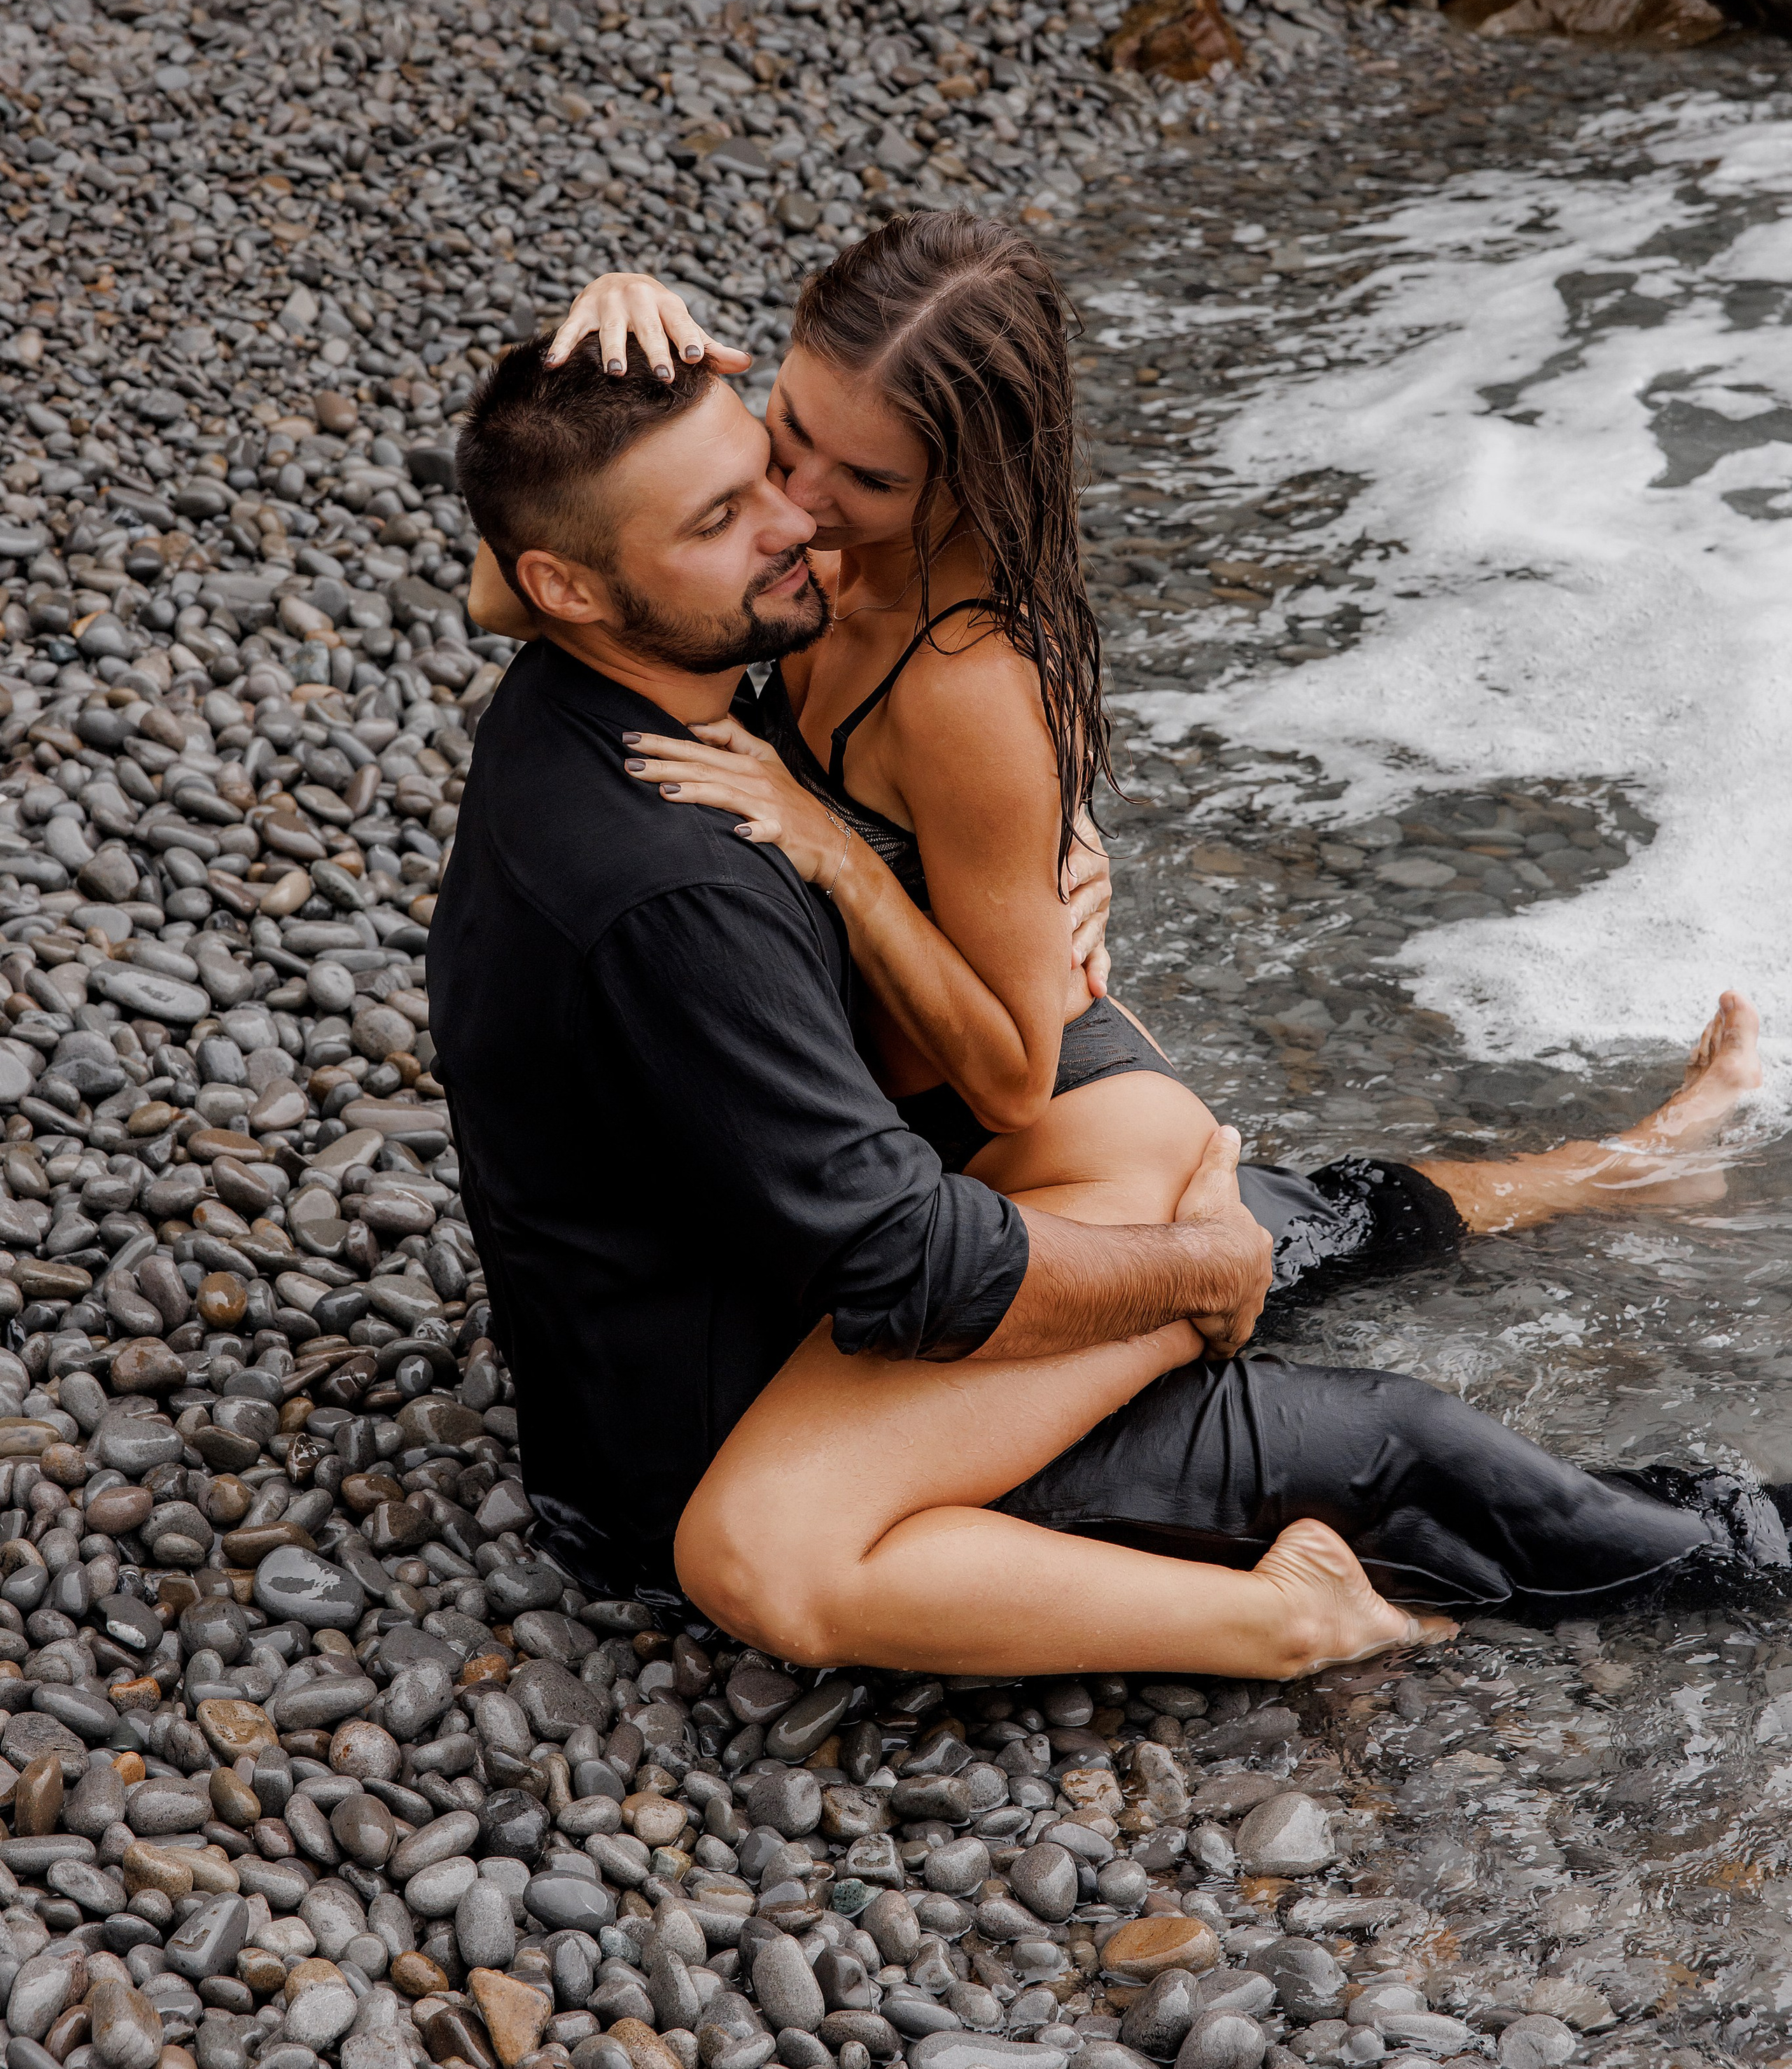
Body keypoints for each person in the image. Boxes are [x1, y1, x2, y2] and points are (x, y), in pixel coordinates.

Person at [429, 334, 1791, 1679]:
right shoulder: (675, 886)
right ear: (575, 583)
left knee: (1270, 1212)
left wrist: (1024, 853)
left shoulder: (597, 680)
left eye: (768, 462)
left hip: (754, 1287)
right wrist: (1194, 1270)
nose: (797, 519)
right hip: (741, 1424)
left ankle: (1621, 1171)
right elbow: (907, 1267)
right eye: (728, 511)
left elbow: (530, 547)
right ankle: (1742, 1549)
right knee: (1372, 1439)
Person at [466, 220, 1761, 1273]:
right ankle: (1645, 1160)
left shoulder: (965, 681)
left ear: (973, 484)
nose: (798, 506)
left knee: (1333, 1232)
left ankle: (1643, 1161)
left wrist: (836, 858)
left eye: (861, 483)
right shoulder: (808, 556)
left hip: (1027, 1117)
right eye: (784, 431)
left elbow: (1019, 1079)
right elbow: (515, 584)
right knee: (1310, 1204)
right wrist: (598, 338)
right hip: (945, 1051)